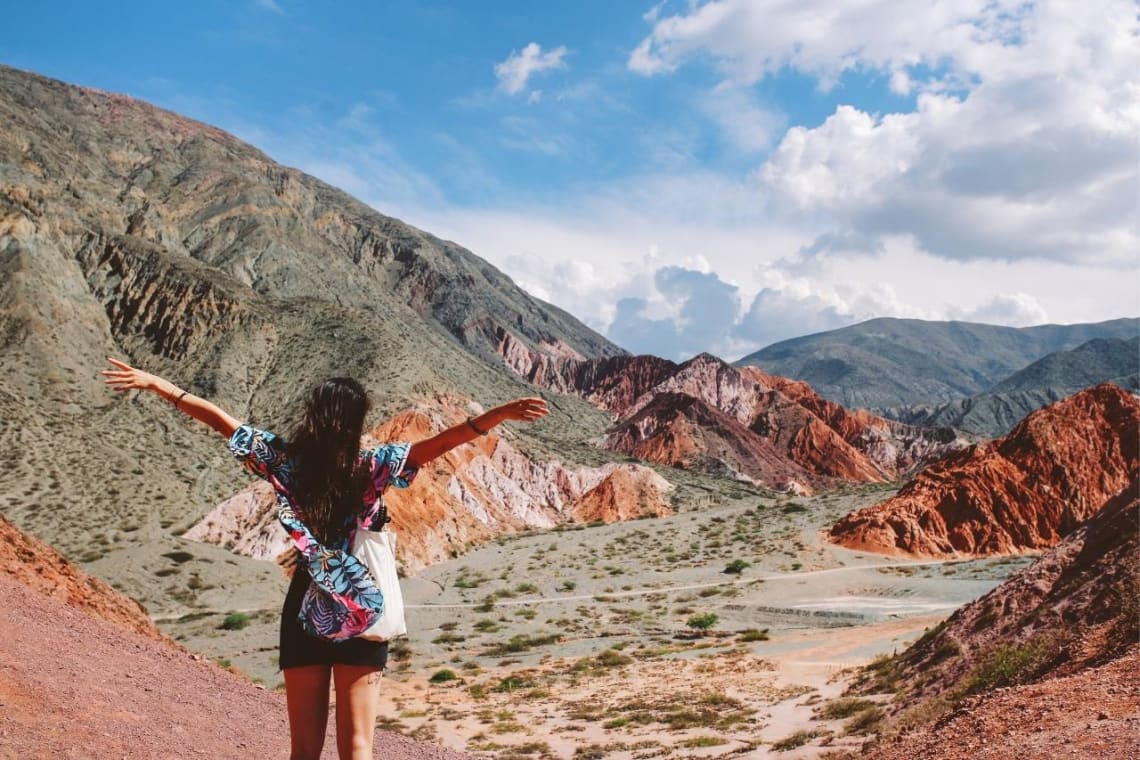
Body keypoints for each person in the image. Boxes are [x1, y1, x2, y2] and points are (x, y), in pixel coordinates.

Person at [102, 357, 549, 760]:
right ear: (355, 423)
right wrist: (500, 415)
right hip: (360, 603)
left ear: (314, 416)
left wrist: (158, 384)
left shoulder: (286, 461)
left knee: (304, 751)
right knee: (357, 746)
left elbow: (222, 422)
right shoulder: (373, 466)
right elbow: (440, 444)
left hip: (305, 606)